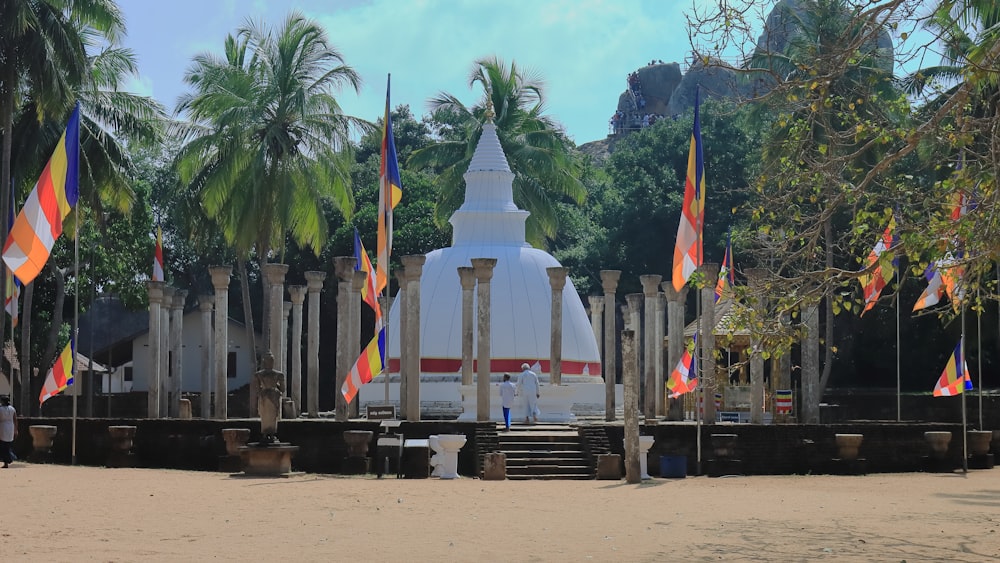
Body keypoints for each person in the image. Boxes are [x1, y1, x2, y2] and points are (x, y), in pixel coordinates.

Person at [0, 395, 17, 468]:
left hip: (3, 427)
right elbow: (15, 420)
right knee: (8, 444)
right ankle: (8, 459)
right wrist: (16, 429)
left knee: (3, 446)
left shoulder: (0, 409)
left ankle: (9, 459)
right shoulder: (12, 409)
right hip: (11, 426)